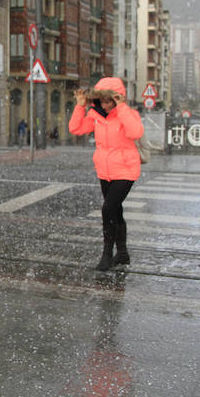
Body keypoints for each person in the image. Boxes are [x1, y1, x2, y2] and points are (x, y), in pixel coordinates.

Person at [68, 77, 143, 271]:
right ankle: (123, 253)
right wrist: (80, 106)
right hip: (105, 170)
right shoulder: (96, 116)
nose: (106, 105)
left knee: (108, 209)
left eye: (109, 100)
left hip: (126, 170)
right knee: (116, 211)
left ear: (117, 98)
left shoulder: (129, 114)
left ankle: (107, 254)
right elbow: (76, 129)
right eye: (102, 101)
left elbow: (136, 133)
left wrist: (122, 107)